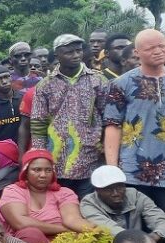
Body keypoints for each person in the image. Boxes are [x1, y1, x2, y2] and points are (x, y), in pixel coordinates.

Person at [104, 29, 165, 225]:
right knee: (136, 227)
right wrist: (113, 169)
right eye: (150, 48)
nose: (158, 51)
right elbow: (113, 126)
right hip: (133, 170)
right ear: (137, 52)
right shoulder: (121, 84)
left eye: (161, 46)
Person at [31, 34, 108, 199]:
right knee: (62, 207)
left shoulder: (98, 80)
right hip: (57, 159)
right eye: (69, 52)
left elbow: (107, 118)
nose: (76, 55)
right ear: (57, 55)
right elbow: (38, 123)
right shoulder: (45, 85)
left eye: (78, 51)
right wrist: (40, 155)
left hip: (91, 157)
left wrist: (105, 149)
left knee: (88, 207)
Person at [0, 149, 93, 243]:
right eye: (37, 170)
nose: (43, 175)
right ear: (25, 172)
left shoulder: (64, 192)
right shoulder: (14, 190)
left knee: (87, 238)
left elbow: (72, 219)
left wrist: (95, 231)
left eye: (48, 170)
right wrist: (65, 230)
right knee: (30, 234)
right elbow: (20, 223)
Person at [81, 166, 165, 243]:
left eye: (119, 187)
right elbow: (112, 231)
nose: (115, 193)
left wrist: (153, 237)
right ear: (97, 190)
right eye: (109, 189)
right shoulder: (88, 203)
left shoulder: (135, 195)